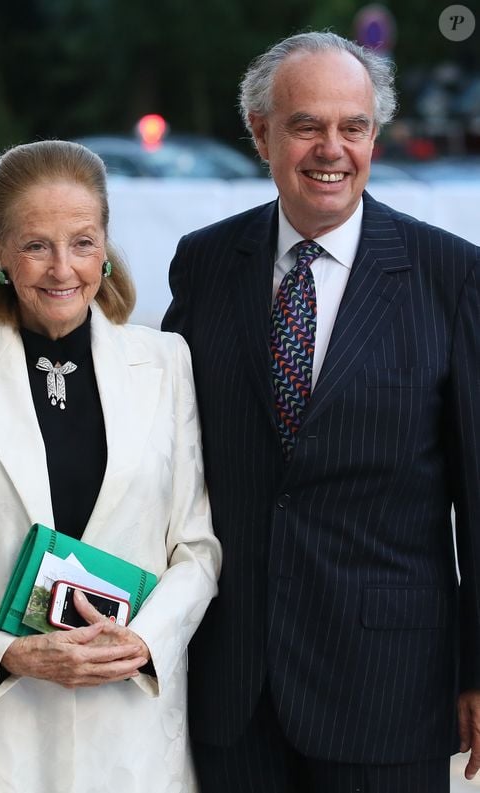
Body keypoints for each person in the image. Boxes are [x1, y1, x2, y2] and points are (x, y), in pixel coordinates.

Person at [162, 30, 480, 793]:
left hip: (388, 686)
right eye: (307, 125)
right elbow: (156, 429)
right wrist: (6, 360)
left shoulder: (450, 275)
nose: (331, 149)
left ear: (375, 136)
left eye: (354, 127)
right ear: (262, 132)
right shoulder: (205, 263)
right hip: (231, 686)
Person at [0, 139, 221, 793]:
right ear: (1, 252)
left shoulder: (166, 364)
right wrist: (12, 653)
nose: (60, 267)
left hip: (129, 729)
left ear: (105, 248)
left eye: (80, 241)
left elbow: (197, 546)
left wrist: (148, 641)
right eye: (36, 244)